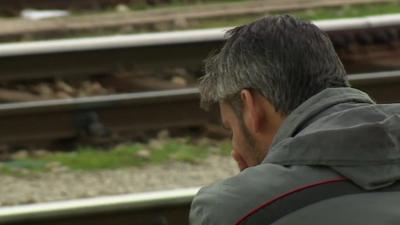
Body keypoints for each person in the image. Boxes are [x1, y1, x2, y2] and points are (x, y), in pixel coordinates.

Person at [189, 15, 400, 225]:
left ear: (252, 107)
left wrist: (255, 185)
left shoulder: (233, 211)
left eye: (231, 129)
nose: (235, 149)